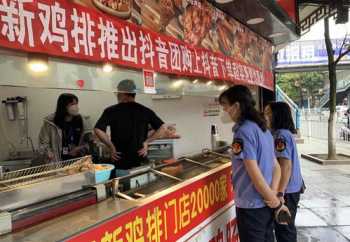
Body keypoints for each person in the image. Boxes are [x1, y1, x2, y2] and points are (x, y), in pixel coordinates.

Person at [219, 85, 285, 242]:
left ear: (236, 106)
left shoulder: (243, 132)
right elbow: (276, 167)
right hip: (265, 203)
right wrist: (273, 195)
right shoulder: (263, 129)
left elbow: (253, 172)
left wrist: (274, 201)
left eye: (225, 107)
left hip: (251, 206)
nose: (224, 112)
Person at [94, 79, 167, 184]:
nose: (117, 95)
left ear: (122, 92)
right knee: (143, 191)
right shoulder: (145, 110)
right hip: (141, 162)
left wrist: (111, 147)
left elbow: (98, 129)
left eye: (117, 92)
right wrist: (146, 142)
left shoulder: (111, 110)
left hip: (120, 162)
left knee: (123, 192)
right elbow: (162, 128)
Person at [264, 102, 304, 242]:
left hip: (286, 191)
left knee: (284, 228)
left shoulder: (281, 136)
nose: (265, 116)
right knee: (284, 227)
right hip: (289, 189)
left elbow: (285, 166)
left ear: (277, 115)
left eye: (268, 113)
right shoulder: (280, 134)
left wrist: (280, 193)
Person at [39, 93, 86, 162]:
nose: (76, 107)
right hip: (57, 162)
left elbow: (87, 142)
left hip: (77, 161)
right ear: (63, 106)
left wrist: (78, 148)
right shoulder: (50, 122)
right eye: (72, 104)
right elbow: (43, 143)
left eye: (76, 104)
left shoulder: (81, 120)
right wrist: (49, 153)